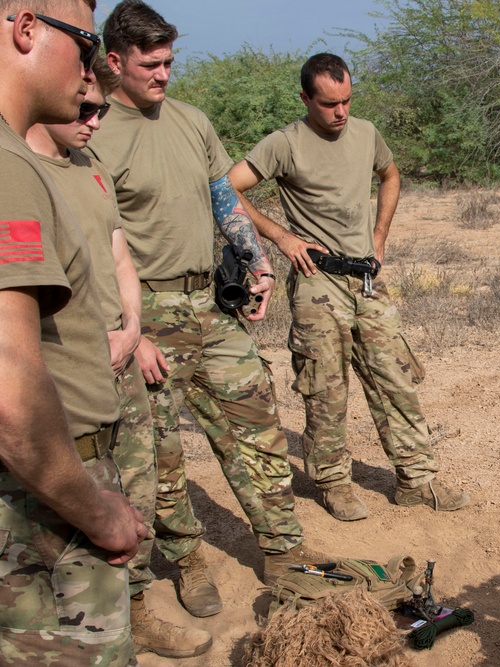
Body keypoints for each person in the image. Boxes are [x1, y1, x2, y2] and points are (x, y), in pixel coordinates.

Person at [87, 0, 328, 619]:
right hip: (146, 309)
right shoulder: (91, 133)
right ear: (115, 62)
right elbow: (92, 244)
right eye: (152, 64)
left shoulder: (191, 120)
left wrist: (255, 258)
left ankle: (283, 552)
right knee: (162, 452)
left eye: (170, 61)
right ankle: (187, 560)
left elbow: (223, 194)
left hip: (208, 302)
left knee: (256, 418)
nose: (165, 74)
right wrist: (129, 331)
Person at [229, 53, 470, 522]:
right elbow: (226, 187)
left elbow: (391, 174)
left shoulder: (365, 133)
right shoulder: (284, 143)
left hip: (365, 278)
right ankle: (333, 483)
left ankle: (416, 480)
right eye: (329, 104)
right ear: (305, 98)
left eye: (346, 101)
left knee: (395, 377)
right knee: (325, 387)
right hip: (318, 282)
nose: (340, 112)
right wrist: (280, 236)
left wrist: (379, 236)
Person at [25, 59, 212, 659]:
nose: (94, 121)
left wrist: (132, 329)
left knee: (138, 489)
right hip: (61, 373)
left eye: (100, 110)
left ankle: (133, 613)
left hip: (121, 358)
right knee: (68, 508)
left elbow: (119, 256)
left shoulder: (92, 169)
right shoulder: (23, 177)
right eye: (84, 110)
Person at [0, 1, 147, 664]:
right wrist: (98, 510)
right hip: (42, 501)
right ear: (27, 29)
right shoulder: (10, 169)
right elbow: (11, 400)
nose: (91, 71)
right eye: (85, 43)